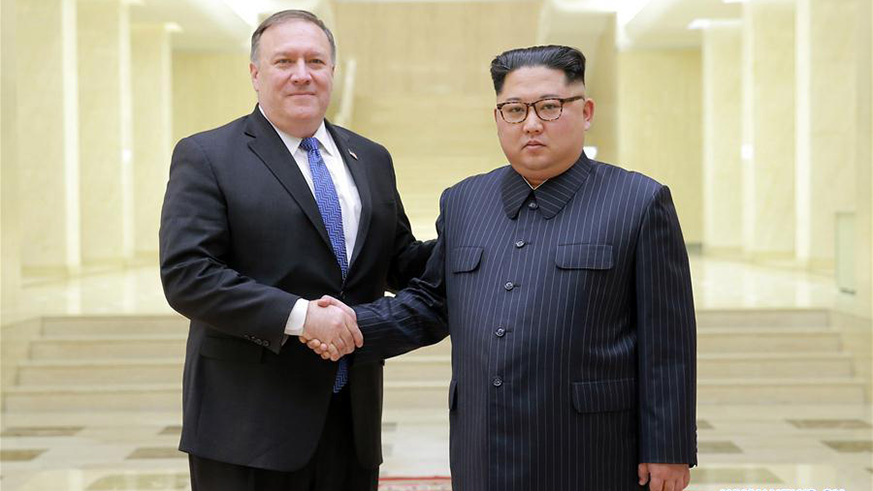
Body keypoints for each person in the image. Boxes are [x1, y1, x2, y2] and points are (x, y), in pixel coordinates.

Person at [307, 45, 697, 491]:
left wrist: (668, 446)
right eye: (515, 110)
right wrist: (348, 327)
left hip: (595, 447)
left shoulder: (639, 202)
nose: (531, 123)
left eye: (550, 107)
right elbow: (431, 303)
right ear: (498, 118)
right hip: (484, 445)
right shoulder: (464, 202)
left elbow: (668, 339)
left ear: (585, 111)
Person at [159, 10, 433, 491]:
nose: (302, 73)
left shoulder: (370, 157)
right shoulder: (207, 155)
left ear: (332, 71)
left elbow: (400, 260)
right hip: (247, 428)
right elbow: (189, 275)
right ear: (255, 73)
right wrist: (302, 316)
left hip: (352, 421)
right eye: (284, 61)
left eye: (316, 61)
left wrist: (480, 235)